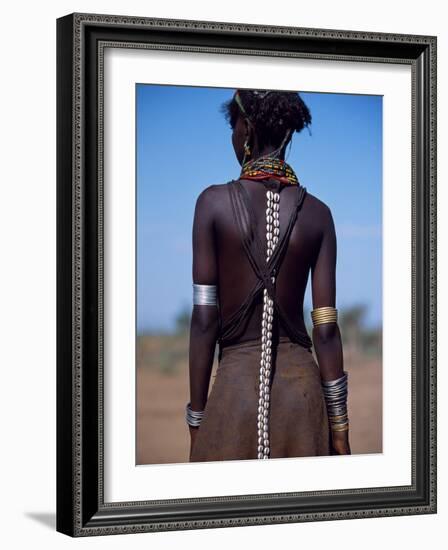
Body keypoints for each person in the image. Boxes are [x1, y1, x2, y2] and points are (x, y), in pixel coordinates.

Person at [186, 89, 351, 462]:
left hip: (232, 400)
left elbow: (204, 321)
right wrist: (338, 427)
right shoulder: (319, 215)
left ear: (245, 129)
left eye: (233, 127)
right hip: (303, 404)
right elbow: (326, 330)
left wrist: (198, 420)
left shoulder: (211, 204)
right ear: (289, 133)